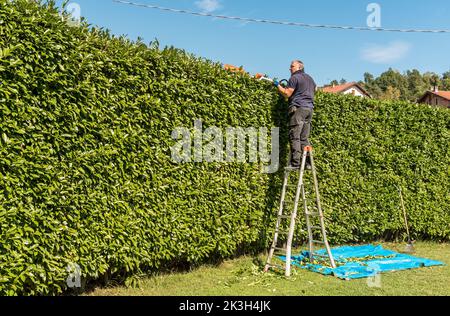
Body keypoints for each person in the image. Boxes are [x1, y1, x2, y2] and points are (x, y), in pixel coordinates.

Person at [274, 60, 316, 169]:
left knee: (294, 136)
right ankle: (307, 163)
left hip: (299, 109)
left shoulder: (294, 78)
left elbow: (287, 93)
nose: (290, 68)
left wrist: (277, 85)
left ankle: (295, 163)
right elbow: (315, 89)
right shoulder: (310, 79)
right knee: (304, 138)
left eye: (292, 66)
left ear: (299, 67)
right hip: (310, 109)